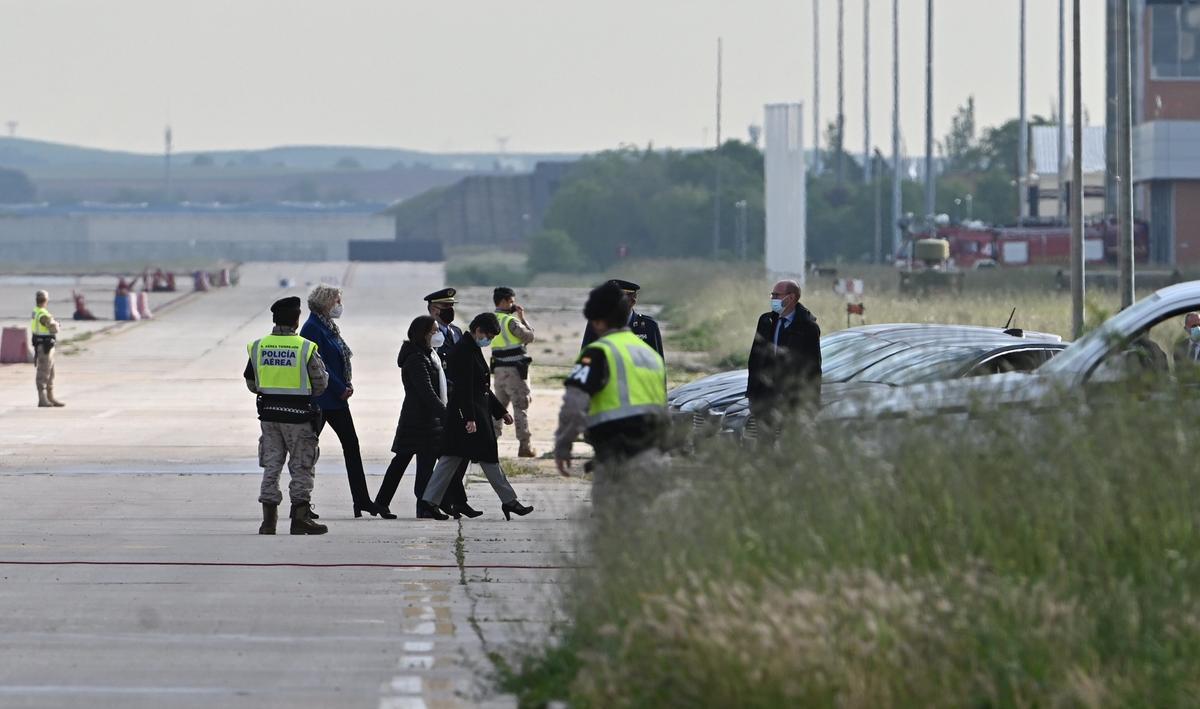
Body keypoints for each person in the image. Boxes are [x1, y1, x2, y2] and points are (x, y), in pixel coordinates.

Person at [555, 282, 668, 498]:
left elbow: (575, 402)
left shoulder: (597, 353)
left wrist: (563, 443)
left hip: (613, 451)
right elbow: (661, 398)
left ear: (598, 320)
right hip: (650, 448)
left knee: (609, 516)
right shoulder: (649, 356)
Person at [420, 313, 534, 520]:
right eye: (488, 335)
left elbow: (481, 388)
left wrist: (500, 411)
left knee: (452, 459)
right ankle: (510, 502)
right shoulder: (463, 351)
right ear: (478, 330)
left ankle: (429, 501)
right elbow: (463, 389)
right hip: (468, 417)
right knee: (479, 458)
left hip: (473, 415)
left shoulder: (472, 348)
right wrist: (469, 418)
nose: (488, 340)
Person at [244, 296, 330, 535]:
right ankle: (300, 518)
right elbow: (320, 383)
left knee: (272, 465)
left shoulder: (259, 346)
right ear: (296, 320)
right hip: (299, 417)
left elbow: (251, 382)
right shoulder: (304, 347)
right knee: (301, 467)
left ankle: (268, 522)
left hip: (269, 417)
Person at [301, 284, 385, 518]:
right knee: (306, 451)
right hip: (321, 399)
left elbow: (338, 359)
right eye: (337, 301)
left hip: (337, 400)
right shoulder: (312, 328)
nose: (339, 305)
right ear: (326, 302)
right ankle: (300, 503)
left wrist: (345, 385)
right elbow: (318, 364)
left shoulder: (328, 326)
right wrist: (339, 387)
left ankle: (362, 500)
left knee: (352, 447)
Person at [375, 316, 450, 520]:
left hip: (428, 420)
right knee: (401, 462)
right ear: (423, 333)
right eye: (434, 331)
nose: (438, 334)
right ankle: (382, 503)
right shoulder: (416, 358)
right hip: (416, 420)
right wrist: (446, 415)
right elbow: (426, 392)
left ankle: (425, 505)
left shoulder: (429, 354)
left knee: (425, 466)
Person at [746, 279, 822, 443]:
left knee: (788, 442)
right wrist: (752, 393)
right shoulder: (767, 321)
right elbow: (754, 359)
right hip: (764, 395)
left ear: (791, 298)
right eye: (772, 294)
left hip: (790, 396)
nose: (773, 298)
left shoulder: (807, 328)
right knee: (763, 442)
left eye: (777, 295)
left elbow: (813, 366)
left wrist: (812, 400)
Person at [422, 288, 476, 518]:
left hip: (459, 399)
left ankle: (451, 499)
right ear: (434, 309)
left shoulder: (455, 331)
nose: (450, 311)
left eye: (452, 306)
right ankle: (443, 500)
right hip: (442, 401)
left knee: (460, 452)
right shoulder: (427, 333)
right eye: (445, 307)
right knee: (446, 454)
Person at [490, 286, 538, 458]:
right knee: (520, 408)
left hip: (498, 371)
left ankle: (490, 445)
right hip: (516, 372)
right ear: (503, 301)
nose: (513, 305)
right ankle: (525, 446)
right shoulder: (510, 321)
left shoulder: (492, 319)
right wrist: (521, 317)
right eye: (511, 301)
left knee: (497, 409)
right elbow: (530, 337)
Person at [581, 279, 664, 359]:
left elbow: (658, 362)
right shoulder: (597, 323)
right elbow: (585, 358)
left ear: (633, 299)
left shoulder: (649, 326)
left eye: (617, 298)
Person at [30, 290, 65, 408]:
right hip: (45, 348)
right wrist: (58, 324)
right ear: (46, 300)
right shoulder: (43, 314)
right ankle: (43, 399)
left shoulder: (36, 311)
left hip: (45, 346)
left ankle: (50, 397)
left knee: (50, 373)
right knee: (43, 373)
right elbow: (53, 328)